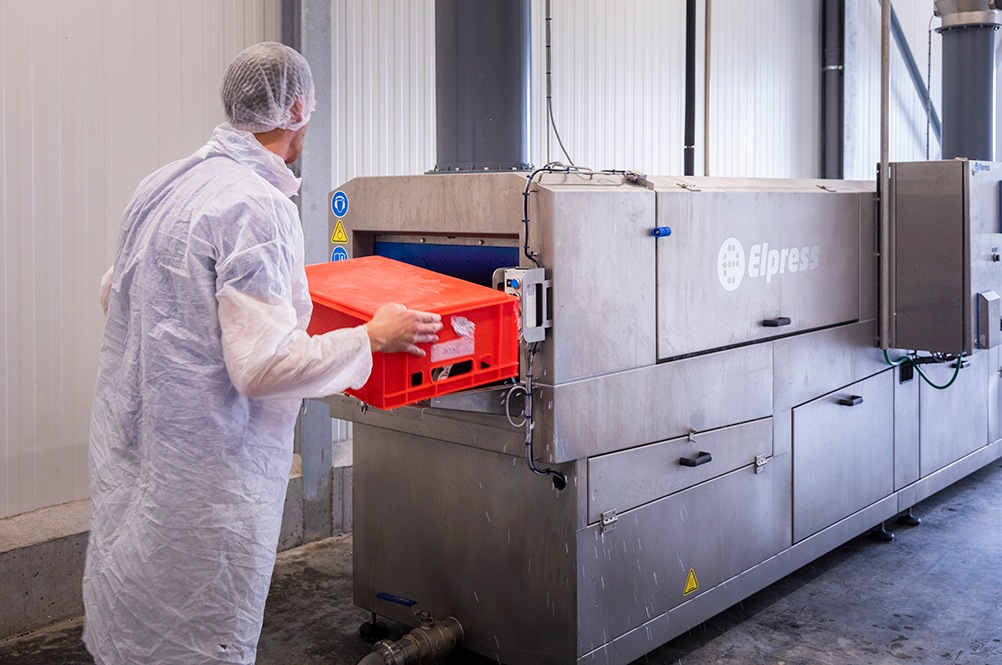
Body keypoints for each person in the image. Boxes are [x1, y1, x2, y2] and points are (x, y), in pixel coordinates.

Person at [82, 42, 442, 665]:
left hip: (142, 449)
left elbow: (116, 292)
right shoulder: (258, 205)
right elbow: (263, 368)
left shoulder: (167, 182)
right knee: (198, 633)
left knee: (134, 610)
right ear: (299, 106)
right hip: (207, 473)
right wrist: (371, 337)